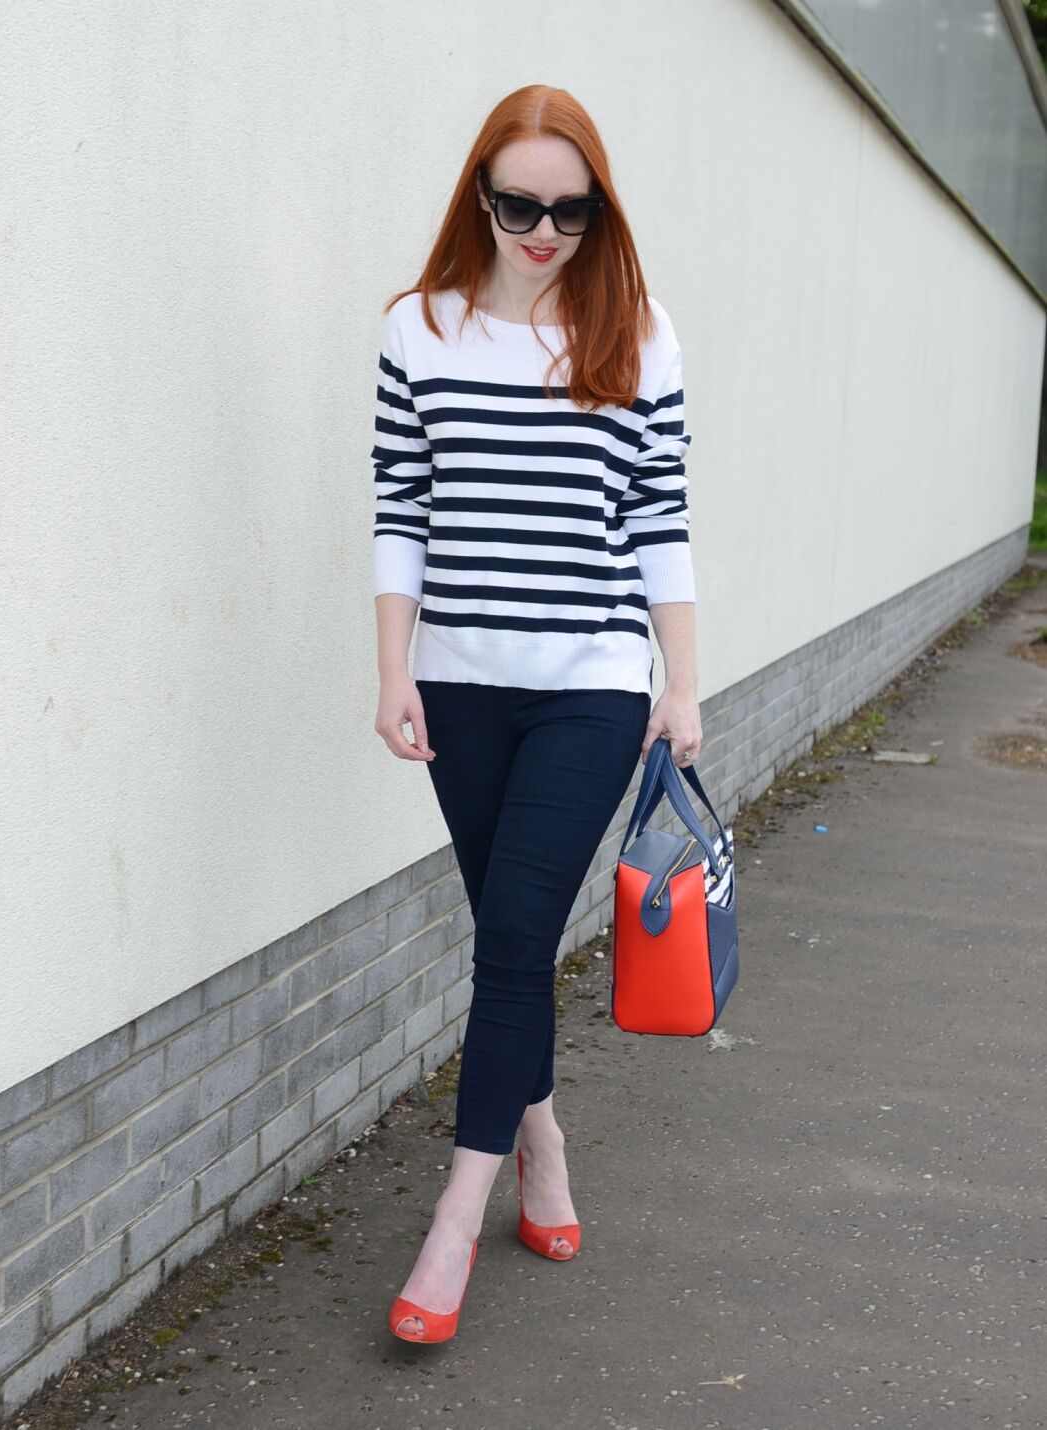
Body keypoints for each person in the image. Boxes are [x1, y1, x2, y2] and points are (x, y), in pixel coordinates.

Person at [371, 83, 702, 1343]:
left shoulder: (638, 333)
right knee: (507, 939)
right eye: (521, 204)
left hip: (591, 688)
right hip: (457, 683)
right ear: (482, 196)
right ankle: (543, 1145)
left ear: (598, 208)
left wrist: (681, 682)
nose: (545, 230)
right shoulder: (421, 330)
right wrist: (391, 667)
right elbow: (402, 505)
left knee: (512, 934)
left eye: (572, 208)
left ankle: (453, 1221)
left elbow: (658, 522)